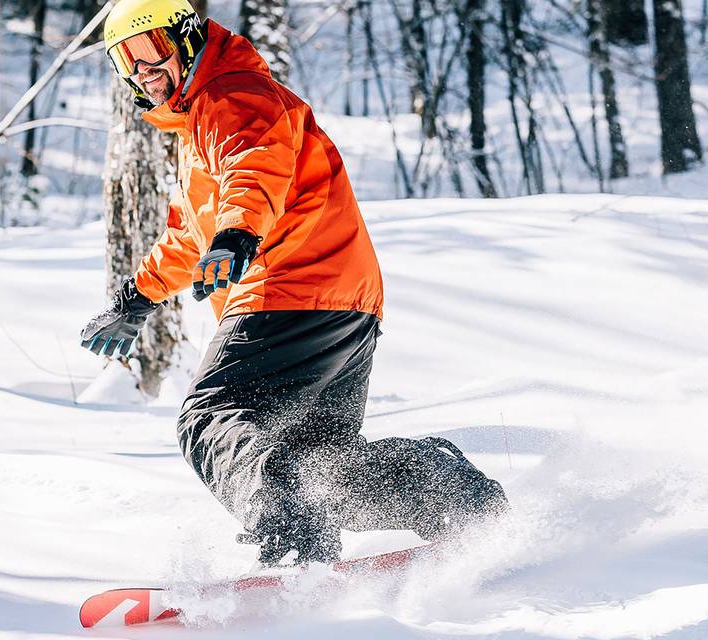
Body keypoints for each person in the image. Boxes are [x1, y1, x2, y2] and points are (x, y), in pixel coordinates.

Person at [79, 0, 507, 567]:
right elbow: (190, 236)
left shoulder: (231, 96)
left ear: (184, 39)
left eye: (152, 49)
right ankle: (452, 495)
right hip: (342, 300)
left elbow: (254, 169)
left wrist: (237, 236)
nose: (143, 70)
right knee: (318, 469)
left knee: (209, 416)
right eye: (125, 60)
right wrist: (137, 299)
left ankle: (292, 535)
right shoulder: (200, 124)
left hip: (290, 287)